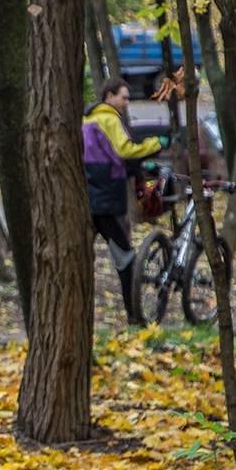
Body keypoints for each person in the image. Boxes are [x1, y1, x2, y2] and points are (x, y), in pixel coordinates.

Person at [82, 77, 162, 325]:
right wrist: (155, 144)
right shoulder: (108, 118)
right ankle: (133, 316)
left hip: (92, 193)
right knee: (126, 258)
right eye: (124, 97)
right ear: (109, 96)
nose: (127, 102)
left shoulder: (88, 119)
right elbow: (124, 150)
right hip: (105, 199)